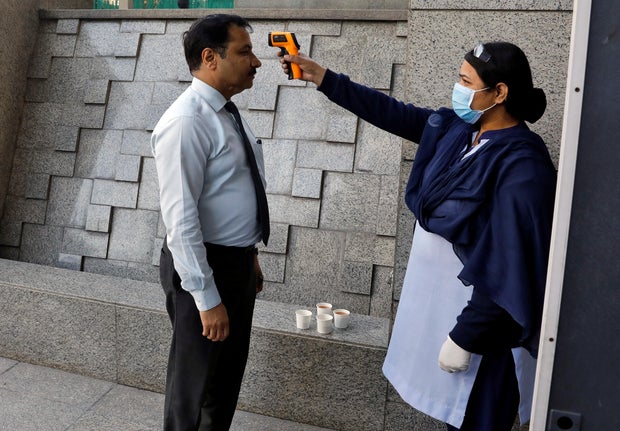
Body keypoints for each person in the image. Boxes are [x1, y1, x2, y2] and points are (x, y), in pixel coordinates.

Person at [278, 42, 556, 431]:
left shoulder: (523, 164)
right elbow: (396, 115)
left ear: (500, 93)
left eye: (465, 81)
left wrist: (467, 335)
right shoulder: (461, 132)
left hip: (486, 331)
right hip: (440, 312)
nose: (457, 89)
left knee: (476, 415)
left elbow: (512, 258)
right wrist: (324, 78)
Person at [151, 14, 268, 431]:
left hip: (233, 263)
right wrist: (206, 297)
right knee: (193, 389)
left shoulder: (226, 112)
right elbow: (180, 221)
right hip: (204, 267)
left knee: (224, 383)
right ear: (210, 57)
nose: (256, 62)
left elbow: (232, 193)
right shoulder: (187, 121)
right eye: (245, 51)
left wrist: (248, 256)